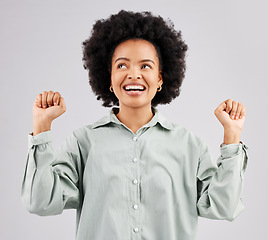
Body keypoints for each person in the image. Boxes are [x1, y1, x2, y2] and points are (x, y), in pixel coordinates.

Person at [21, 10, 248, 240]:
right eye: (121, 66)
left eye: (145, 66)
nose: (133, 74)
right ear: (108, 77)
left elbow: (223, 207)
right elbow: (40, 202)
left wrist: (232, 134)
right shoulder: (83, 143)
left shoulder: (189, 145)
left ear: (160, 78)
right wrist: (42, 127)